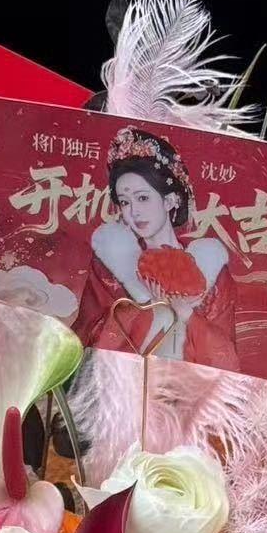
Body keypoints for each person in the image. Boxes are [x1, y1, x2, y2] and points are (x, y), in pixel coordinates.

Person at [74, 126, 240, 369]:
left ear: (170, 200)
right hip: (122, 383)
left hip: (187, 387)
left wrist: (186, 314)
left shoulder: (212, 268)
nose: (133, 212)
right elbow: (86, 337)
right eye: (125, 202)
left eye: (143, 198)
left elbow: (227, 358)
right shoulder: (109, 263)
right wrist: (146, 305)